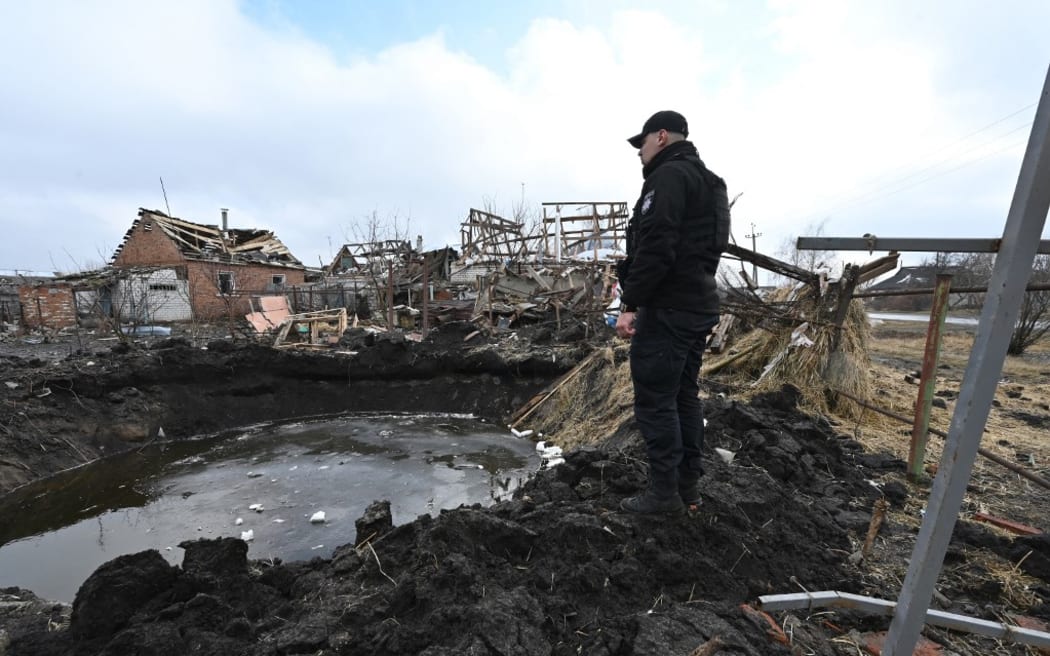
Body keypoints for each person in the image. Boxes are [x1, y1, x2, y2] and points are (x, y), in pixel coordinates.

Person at [615, 110, 729, 515]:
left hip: (667, 309)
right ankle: (686, 490)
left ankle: (662, 496)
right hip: (696, 305)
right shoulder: (711, 183)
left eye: (642, 143)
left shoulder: (667, 178)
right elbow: (705, 250)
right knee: (683, 396)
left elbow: (656, 247)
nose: (639, 152)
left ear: (661, 136)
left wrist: (630, 303)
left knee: (656, 401)